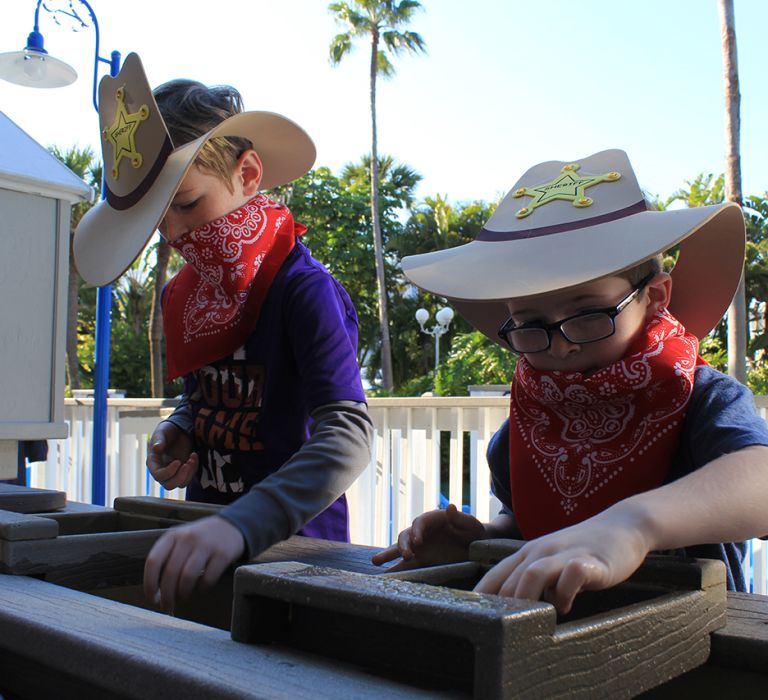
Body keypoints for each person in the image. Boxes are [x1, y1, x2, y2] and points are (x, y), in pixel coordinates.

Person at [373, 148, 768, 615]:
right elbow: (525, 523)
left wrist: (633, 525)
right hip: (552, 646)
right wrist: (479, 540)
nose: (561, 347)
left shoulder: (701, 397)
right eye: (531, 323)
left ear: (656, 296)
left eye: (587, 315)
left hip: (694, 643)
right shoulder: (525, 423)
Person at [74, 53, 372, 611]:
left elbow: (348, 432)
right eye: (159, 224)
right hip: (202, 553)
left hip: (302, 562)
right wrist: (181, 429)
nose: (176, 235)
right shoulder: (181, 296)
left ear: (249, 175)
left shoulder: (302, 289)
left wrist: (242, 523)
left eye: (186, 204)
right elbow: (204, 399)